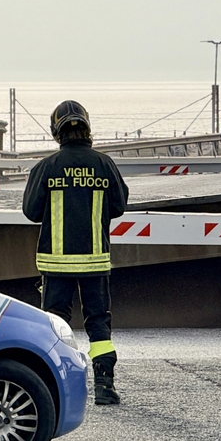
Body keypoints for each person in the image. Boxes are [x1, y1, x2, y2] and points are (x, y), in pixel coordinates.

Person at [22, 101, 129, 405]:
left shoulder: (47, 167)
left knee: (54, 325)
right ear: (87, 127)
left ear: (56, 131)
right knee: (99, 323)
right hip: (94, 261)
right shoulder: (104, 164)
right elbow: (119, 206)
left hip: (56, 263)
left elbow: (31, 211)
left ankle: (54, 389)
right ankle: (104, 386)